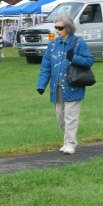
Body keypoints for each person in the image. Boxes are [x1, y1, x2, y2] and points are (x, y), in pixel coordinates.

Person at [37, 15, 93, 154]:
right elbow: (46, 66)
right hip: (56, 87)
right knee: (60, 117)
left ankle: (70, 144)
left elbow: (89, 61)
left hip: (73, 85)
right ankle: (67, 140)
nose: (57, 30)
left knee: (70, 116)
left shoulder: (79, 43)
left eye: (60, 28)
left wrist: (73, 58)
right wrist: (41, 84)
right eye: (55, 27)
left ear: (68, 28)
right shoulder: (53, 44)